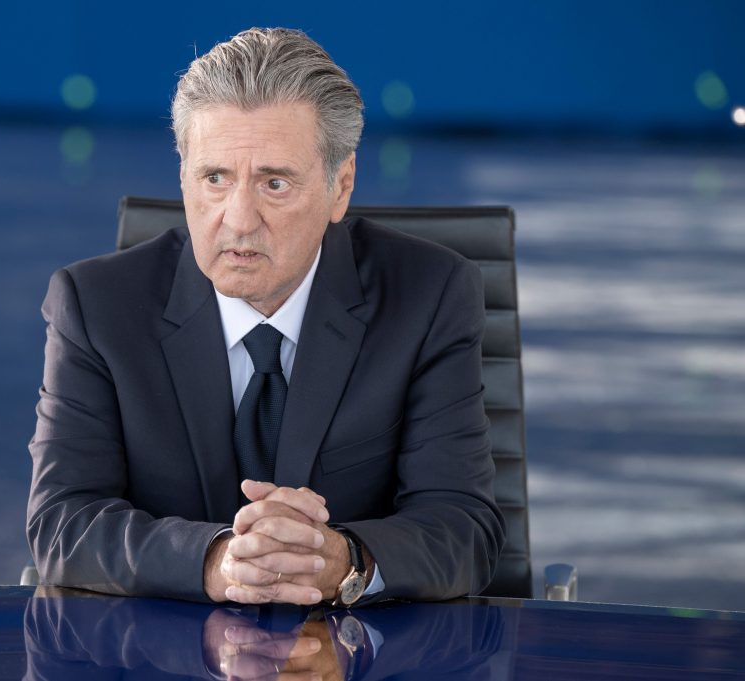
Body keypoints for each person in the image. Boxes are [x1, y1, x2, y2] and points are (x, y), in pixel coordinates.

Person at [27, 27, 504, 606]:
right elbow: (62, 523)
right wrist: (217, 561)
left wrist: (342, 560)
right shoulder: (95, 305)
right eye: (215, 178)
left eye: (274, 183)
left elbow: (463, 530)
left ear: (340, 187)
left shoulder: (430, 295)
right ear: (183, 177)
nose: (238, 219)